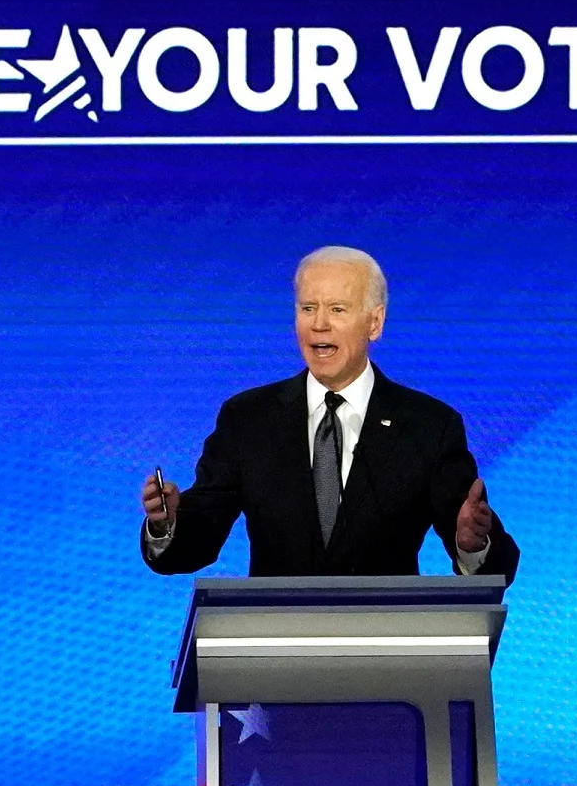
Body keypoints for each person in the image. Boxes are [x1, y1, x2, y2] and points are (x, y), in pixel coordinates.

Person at [140, 246, 518, 583]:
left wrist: (473, 544)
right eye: (308, 308)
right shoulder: (248, 419)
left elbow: (486, 554)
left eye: (337, 309)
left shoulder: (428, 426)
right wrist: (167, 525)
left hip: (385, 647)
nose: (319, 324)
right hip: (273, 648)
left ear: (375, 322)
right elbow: (196, 541)